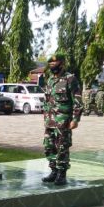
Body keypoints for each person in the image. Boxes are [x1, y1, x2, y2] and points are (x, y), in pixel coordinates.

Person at [41, 52, 82, 186]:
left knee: (62, 147)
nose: (52, 66)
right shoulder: (50, 80)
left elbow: (78, 101)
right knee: (49, 147)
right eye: (51, 64)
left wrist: (75, 119)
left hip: (63, 121)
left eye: (55, 64)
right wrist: (46, 116)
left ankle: (61, 174)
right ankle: (53, 171)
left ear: (62, 64)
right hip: (50, 121)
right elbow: (47, 100)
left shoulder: (70, 79)